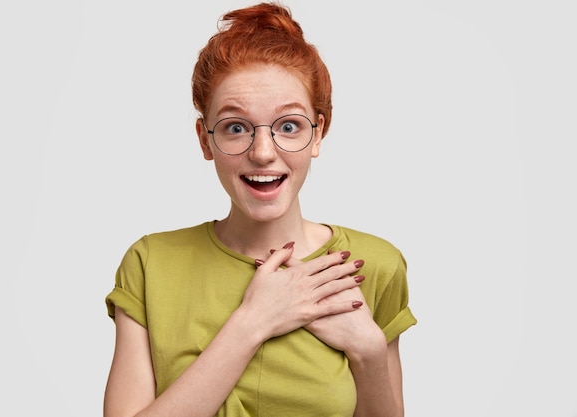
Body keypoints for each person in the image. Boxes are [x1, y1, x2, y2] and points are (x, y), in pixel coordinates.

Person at [103, 2, 417, 416]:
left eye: (289, 126)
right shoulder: (150, 264)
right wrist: (254, 322)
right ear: (205, 139)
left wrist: (370, 353)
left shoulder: (372, 265)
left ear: (318, 133)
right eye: (236, 127)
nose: (264, 153)